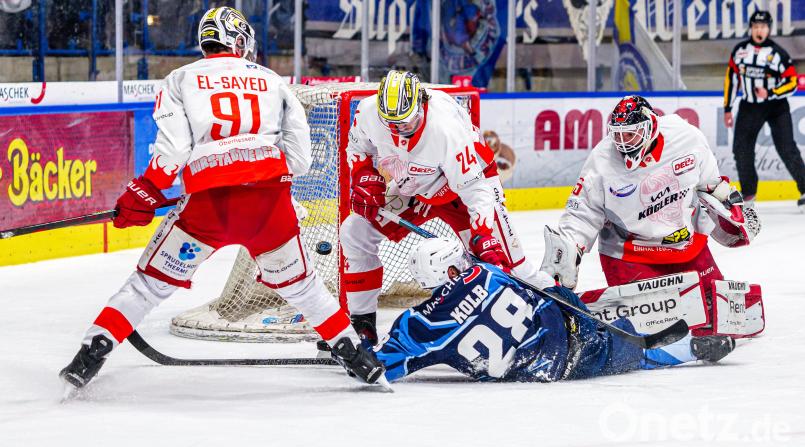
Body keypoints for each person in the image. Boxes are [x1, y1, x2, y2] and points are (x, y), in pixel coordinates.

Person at [59, 6, 383, 390]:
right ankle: (356, 355)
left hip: (208, 207)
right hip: (269, 207)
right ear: (241, 41)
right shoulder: (272, 80)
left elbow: (173, 152)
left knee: (147, 287)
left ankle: (89, 355)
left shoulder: (179, 79)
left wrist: (145, 191)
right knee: (305, 288)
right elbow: (300, 160)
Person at [340, 70, 543, 346]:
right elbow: (357, 147)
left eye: (406, 122)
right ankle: (361, 325)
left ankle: (557, 308)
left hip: (465, 188)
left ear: (421, 104)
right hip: (416, 188)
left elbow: (475, 188)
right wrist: (363, 174)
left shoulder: (444, 128)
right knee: (355, 230)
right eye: (392, 124)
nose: (399, 130)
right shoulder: (368, 113)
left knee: (512, 266)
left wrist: (483, 232)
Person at [540, 95, 760, 335]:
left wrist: (730, 209)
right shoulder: (602, 159)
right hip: (631, 256)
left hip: (687, 247)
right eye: (617, 134)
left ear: (650, 127)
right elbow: (582, 212)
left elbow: (709, 184)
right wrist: (569, 250)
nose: (622, 142)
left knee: (723, 316)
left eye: (630, 134)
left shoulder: (686, 137)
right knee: (652, 329)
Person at [372, 237, 735, 383]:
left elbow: (378, 367)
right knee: (629, 348)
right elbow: (532, 286)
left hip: (538, 371)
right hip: (567, 342)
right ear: (453, 268)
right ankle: (692, 347)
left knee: (621, 346)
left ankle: (680, 346)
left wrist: (354, 353)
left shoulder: (415, 325)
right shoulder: (486, 271)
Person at [723, 10, 804, 211]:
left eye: (763, 27)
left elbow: (792, 82)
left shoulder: (778, 54)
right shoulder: (739, 51)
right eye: (756, 27)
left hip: (776, 107)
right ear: (751, 28)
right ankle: (748, 193)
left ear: (769, 29)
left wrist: (771, 92)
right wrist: (728, 108)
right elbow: (731, 80)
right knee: (741, 148)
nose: (759, 30)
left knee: (787, 148)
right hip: (749, 106)